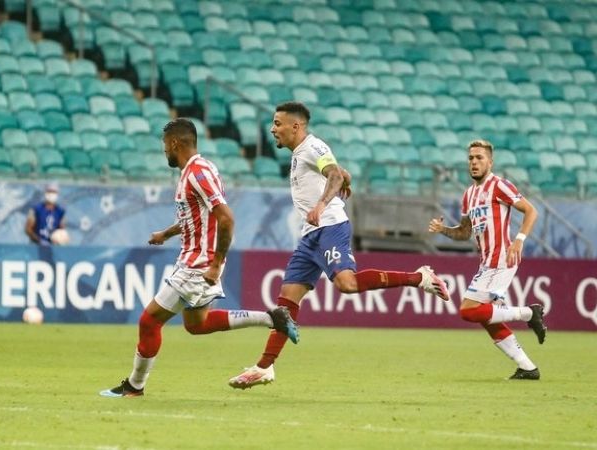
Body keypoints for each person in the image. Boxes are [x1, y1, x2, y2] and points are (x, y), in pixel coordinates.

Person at [228, 101, 450, 389]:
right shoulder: (301, 153)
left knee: (347, 285)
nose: (273, 129)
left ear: (296, 126)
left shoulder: (312, 146)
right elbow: (338, 172)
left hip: (330, 226)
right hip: (310, 235)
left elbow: (332, 173)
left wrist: (322, 202)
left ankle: (420, 278)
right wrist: (344, 177)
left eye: (277, 123)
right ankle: (264, 367)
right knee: (286, 302)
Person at [100, 118, 299, 397]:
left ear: (174, 143)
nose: (164, 152)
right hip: (198, 261)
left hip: (198, 264)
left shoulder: (197, 172)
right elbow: (198, 217)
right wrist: (167, 234)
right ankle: (272, 318)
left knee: (149, 321)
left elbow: (226, 219)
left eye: (165, 146)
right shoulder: (196, 171)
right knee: (197, 324)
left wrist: (216, 263)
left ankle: (134, 386)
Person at [428, 139, 546, 380]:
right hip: (486, 263)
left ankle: (528, 313)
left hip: (502, 258)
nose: (474, 162)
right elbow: (464, 232)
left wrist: (520, 239)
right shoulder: (468, 195)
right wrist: (443, 230)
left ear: (490, 162)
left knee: (468, 311)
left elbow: (531, 210)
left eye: (479, 158)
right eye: (471, 158)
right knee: (487, 318)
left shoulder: (500, 186)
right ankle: (527, 367)